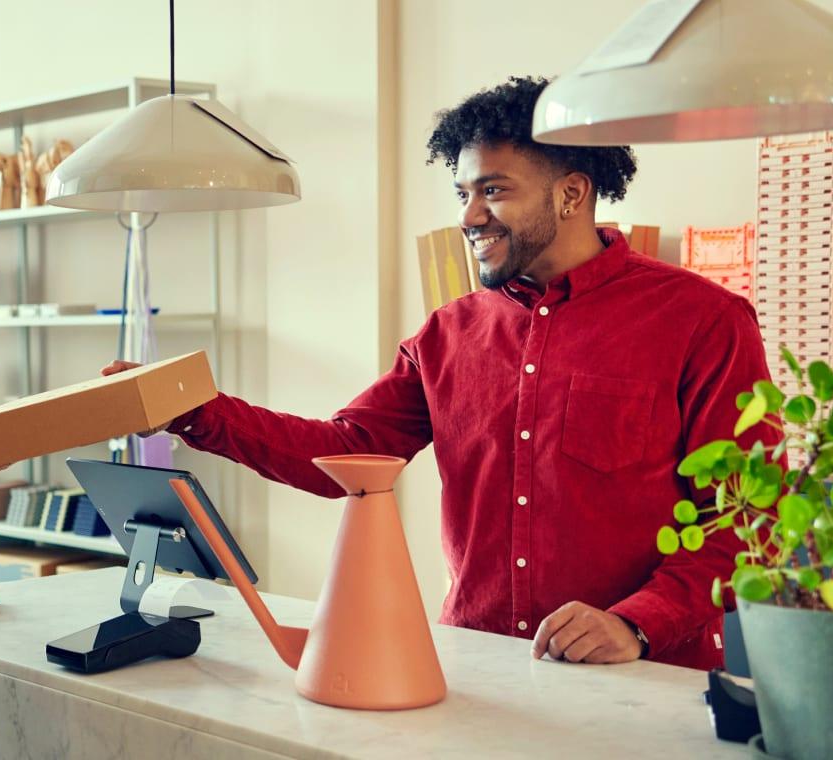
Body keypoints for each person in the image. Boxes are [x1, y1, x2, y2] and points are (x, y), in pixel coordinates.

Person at [103, 76, 771, 670]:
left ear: (572, 194)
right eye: (463, 192)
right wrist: (191, 408)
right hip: (476, 665)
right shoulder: (447, 334)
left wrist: (634, 623)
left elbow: (748, 518)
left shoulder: (705, 321)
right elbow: (342, 454)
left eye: (493, 190)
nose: (468, 215)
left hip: (642, 682)